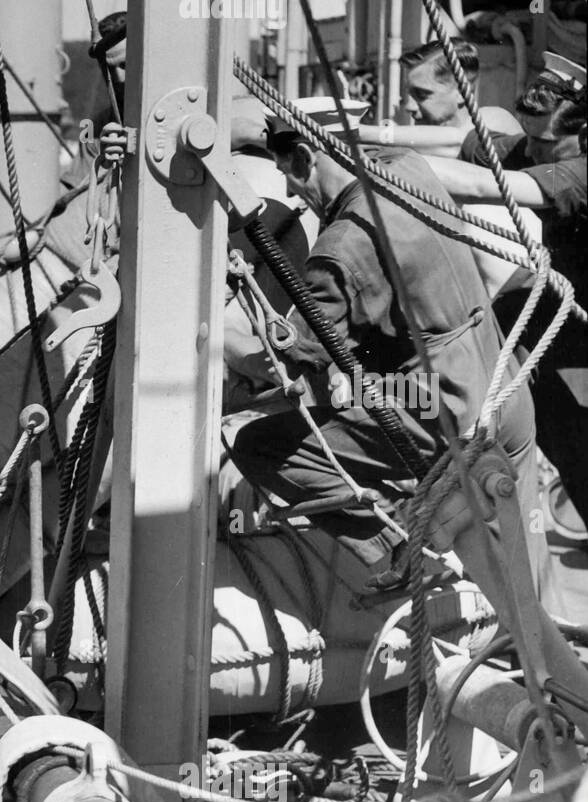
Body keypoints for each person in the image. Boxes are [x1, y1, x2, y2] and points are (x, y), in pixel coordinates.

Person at [230, 98, 544, 593]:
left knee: (258, 445)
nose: (293, 193)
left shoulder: (338, 252)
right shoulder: (409, 171)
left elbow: (292, 364)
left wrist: (235, 353)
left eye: (290, 176)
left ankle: (397, 546)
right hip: (508, 395)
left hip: (448, 415)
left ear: (308, 159)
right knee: (524, 575)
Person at [424, 53, 588, 528]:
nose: (531, 151)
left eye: (543, 143)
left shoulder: (581, 173)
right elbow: (468, 141)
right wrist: (369, 139)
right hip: (563, 311)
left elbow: (486, 182)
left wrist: (379, 169)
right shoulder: (543, 148)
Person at [357, 38, 522, 156]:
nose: (409, 106)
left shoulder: (494, 119)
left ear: (462, 92)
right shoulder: (424, 142)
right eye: (409, 94)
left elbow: (459, 143)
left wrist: (361, 133)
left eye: (421, 94)